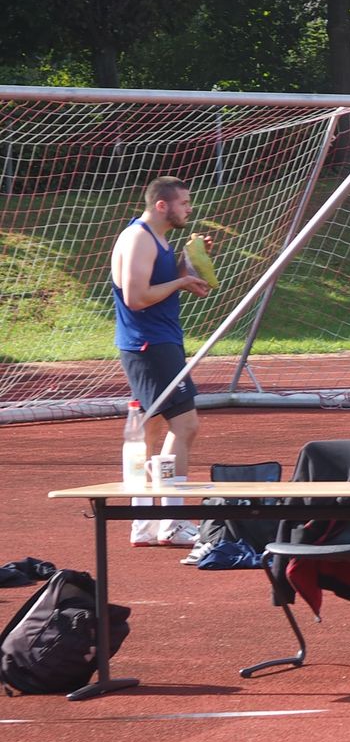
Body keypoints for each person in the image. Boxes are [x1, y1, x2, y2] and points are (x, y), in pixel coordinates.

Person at [108, 175, 213, 548]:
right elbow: (136, 297)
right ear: (161, 205)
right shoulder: (138, 238)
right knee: (185, 427)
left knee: (149, 430)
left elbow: (161, 286)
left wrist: (188, 265)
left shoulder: (159, 240)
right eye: (184, 203)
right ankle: (172, 520)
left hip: (157, 342)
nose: (189, 209)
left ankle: (143, 522)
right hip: (149, 345)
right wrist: (180, 283)